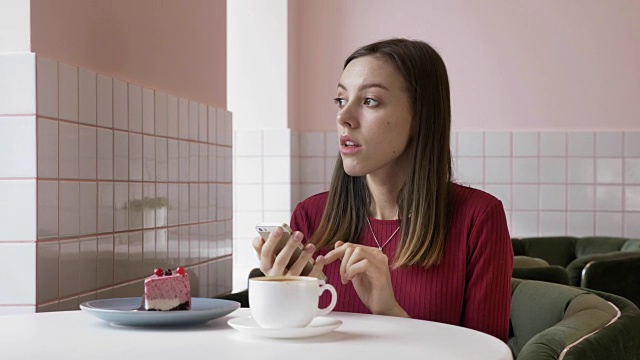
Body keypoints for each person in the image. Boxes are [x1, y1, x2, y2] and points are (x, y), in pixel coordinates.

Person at [252, 38, 513, 342]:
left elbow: (487, 353)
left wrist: (390, 312)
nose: (343, 117)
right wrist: (280, 297)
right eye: (340, 100)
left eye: (370, 101)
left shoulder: (478, 219)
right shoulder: (310, 216)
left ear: (420, 117)